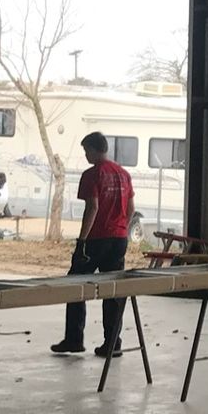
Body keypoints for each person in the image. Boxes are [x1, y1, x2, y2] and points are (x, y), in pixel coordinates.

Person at [50, 132, 135, 359]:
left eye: (86, 151)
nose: (86, 155)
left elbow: (93, 208)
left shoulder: (92, 174)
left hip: (96, 240)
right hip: (119, 240)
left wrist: (82, 241)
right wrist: (121, 230)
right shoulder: (124, 174)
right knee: (113, 291)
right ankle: (112, 342)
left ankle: (74, 338)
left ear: (95, 150)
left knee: (76, 284)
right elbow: (131, 209)